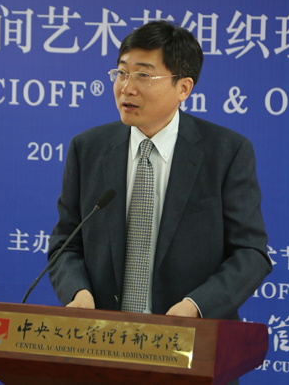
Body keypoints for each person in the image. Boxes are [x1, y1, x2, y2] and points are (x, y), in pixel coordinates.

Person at [48, 20, 272, 321]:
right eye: (122, 73)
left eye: (143, 75)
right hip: (102, 333)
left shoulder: (226, 152)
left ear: (183, 88)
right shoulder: (87, 148)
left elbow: (250, 253)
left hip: (191, 335)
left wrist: (195, 306)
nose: (127, 88)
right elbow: (65, 244)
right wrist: (79, 293)